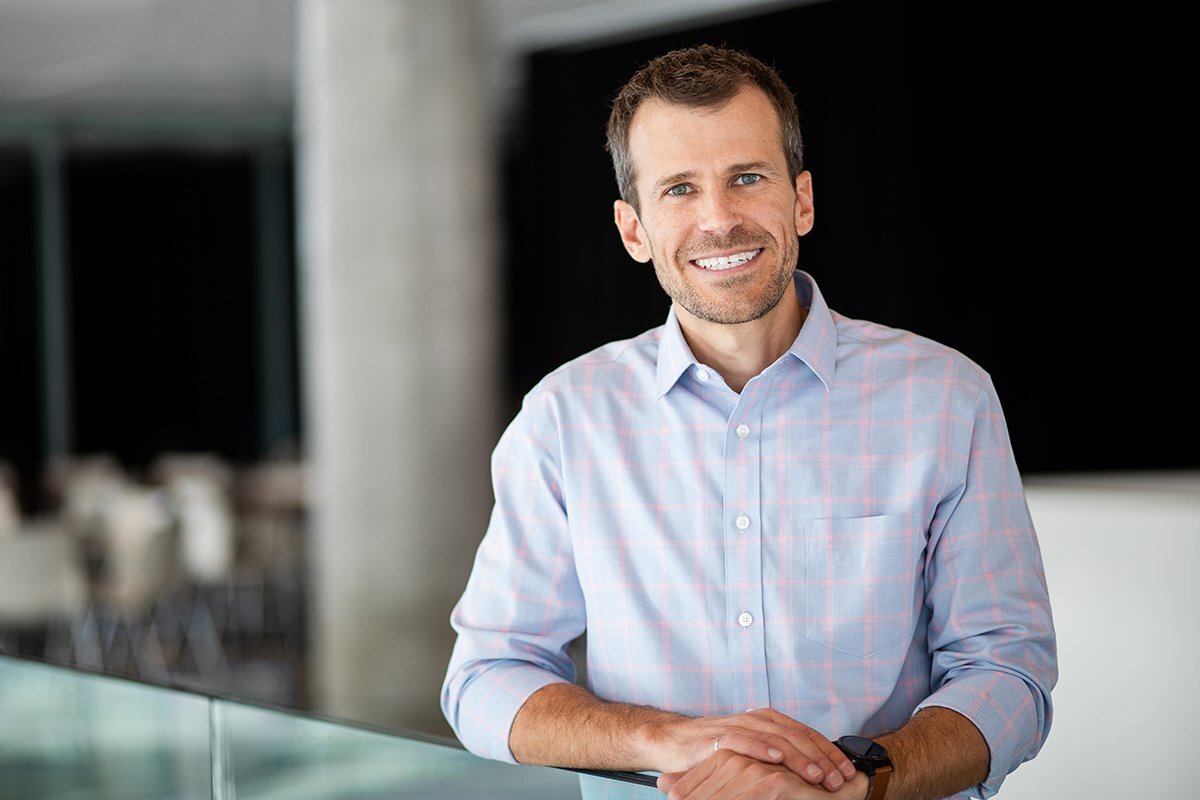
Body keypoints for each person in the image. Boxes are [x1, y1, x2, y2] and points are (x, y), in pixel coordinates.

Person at [442, 45, 1056, 800]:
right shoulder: (564, 419)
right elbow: (482, 680)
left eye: (747, 177)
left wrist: (853, 785)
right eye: (678, 189)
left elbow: (1008, 673)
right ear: (633, 230)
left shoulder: (946, 399)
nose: (719, 219)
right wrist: (670, 741)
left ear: (801, 199)